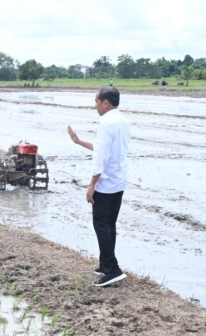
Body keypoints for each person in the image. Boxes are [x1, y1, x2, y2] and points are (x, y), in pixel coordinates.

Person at [67, 86, 130, 287]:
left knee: (101, 225)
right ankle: (105, 264)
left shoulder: (105, 123)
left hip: (105, 184)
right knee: (109, 224)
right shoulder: (122, 121)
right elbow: (104, 148)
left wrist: (92, 185)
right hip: (119, 181)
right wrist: (78, 142)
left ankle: (112, 269)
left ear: (105, 102)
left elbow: (101, 157)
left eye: (96, 101)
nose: (95, 106)